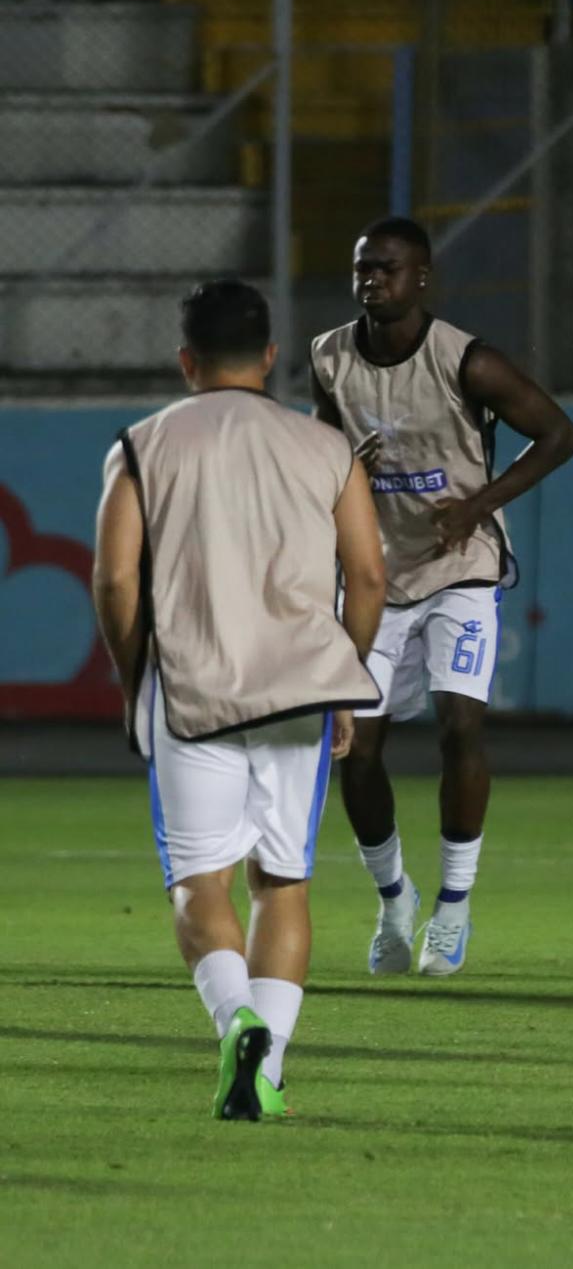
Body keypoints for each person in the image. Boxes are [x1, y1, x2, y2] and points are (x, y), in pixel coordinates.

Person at [92, 280, 386, 1120]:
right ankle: (270, 1068)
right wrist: (343, 679)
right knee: (282, 882)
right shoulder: (325, 446)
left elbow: (115, 579)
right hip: (300, 692)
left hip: (192, 689)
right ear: (270, 356)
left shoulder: (143, 445)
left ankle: (237, 1023)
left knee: (199, 883)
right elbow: (369, 576)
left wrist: (134, 676)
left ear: (186, 360)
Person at [312, 216, 573, 979]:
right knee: (356, 748)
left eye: (387, 268)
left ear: (422, 277)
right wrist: (342, 475)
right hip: (374, 575)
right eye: (362, 267)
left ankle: (454, 907)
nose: (371, 280)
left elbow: (559, 435)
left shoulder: (468, 359)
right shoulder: (329, 356)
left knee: (461, 727)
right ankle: (394, 897)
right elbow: (322, 454)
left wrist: (479, 505)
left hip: (460, 568)